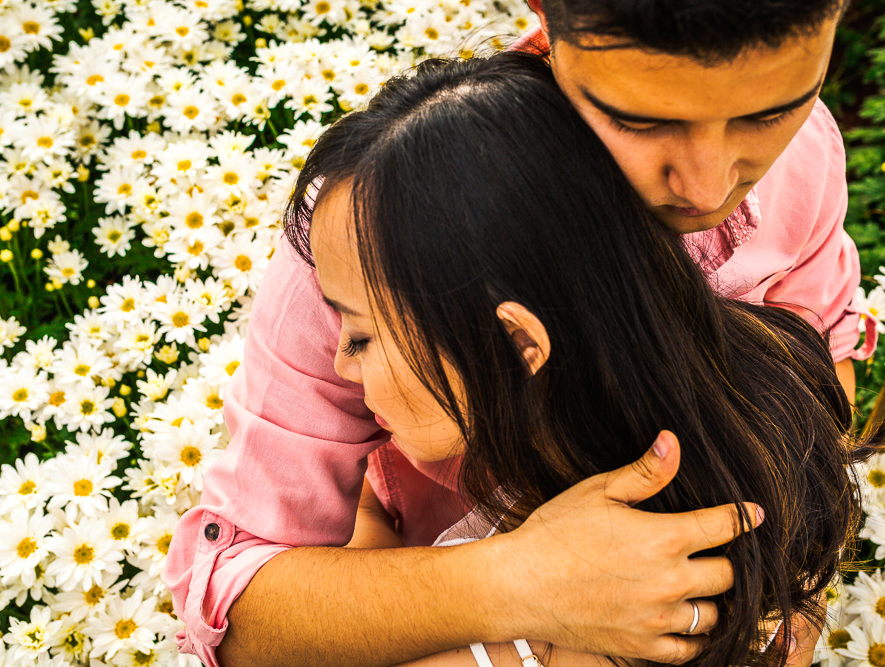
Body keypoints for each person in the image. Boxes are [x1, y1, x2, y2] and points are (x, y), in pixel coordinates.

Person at [163, 1, 877, 665]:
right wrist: (517, 580)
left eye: (770, 113)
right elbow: (234, 593)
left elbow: (822, 360)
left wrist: (790, 589)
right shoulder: (370, 230)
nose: (707, 184)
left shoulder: (805, 156)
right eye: (642, 118)